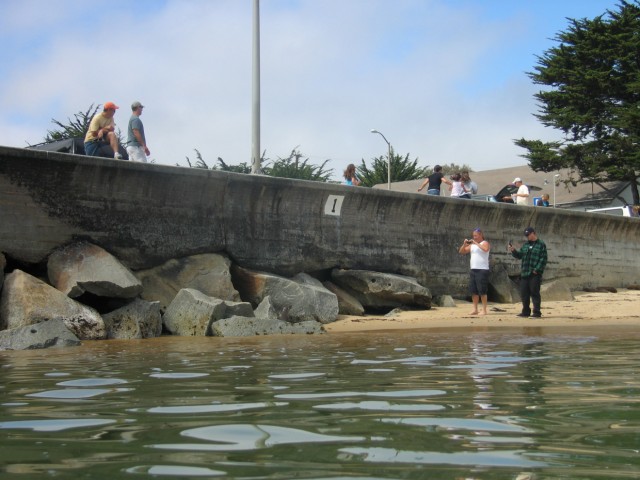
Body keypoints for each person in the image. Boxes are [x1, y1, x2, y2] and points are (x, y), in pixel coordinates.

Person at [508, 227, 547, 318]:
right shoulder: (525, 245)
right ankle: (525, 312)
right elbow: (519, 255)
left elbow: (543, 259)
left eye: (528, 234)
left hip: (534, 274)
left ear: (533, 233)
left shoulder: (541, 244)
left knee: (535, 293)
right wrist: (513, 250)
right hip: (524, 273)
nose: (527, 237)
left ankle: (537, 312)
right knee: (524, 293)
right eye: (526, 235)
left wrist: (536, 270)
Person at [458, 228, 491, 315]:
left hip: (482, 270)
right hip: (473, 269)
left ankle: (484, 310)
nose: (474, 237)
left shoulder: (485, 243)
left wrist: (476, 243)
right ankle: (475, 309)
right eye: (473, 236)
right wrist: (464, 244)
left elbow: (485, 249)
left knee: (482, 291)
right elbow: (461, 252)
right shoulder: (472, 245)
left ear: (480, 235)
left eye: (476, 235)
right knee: (474, 291)